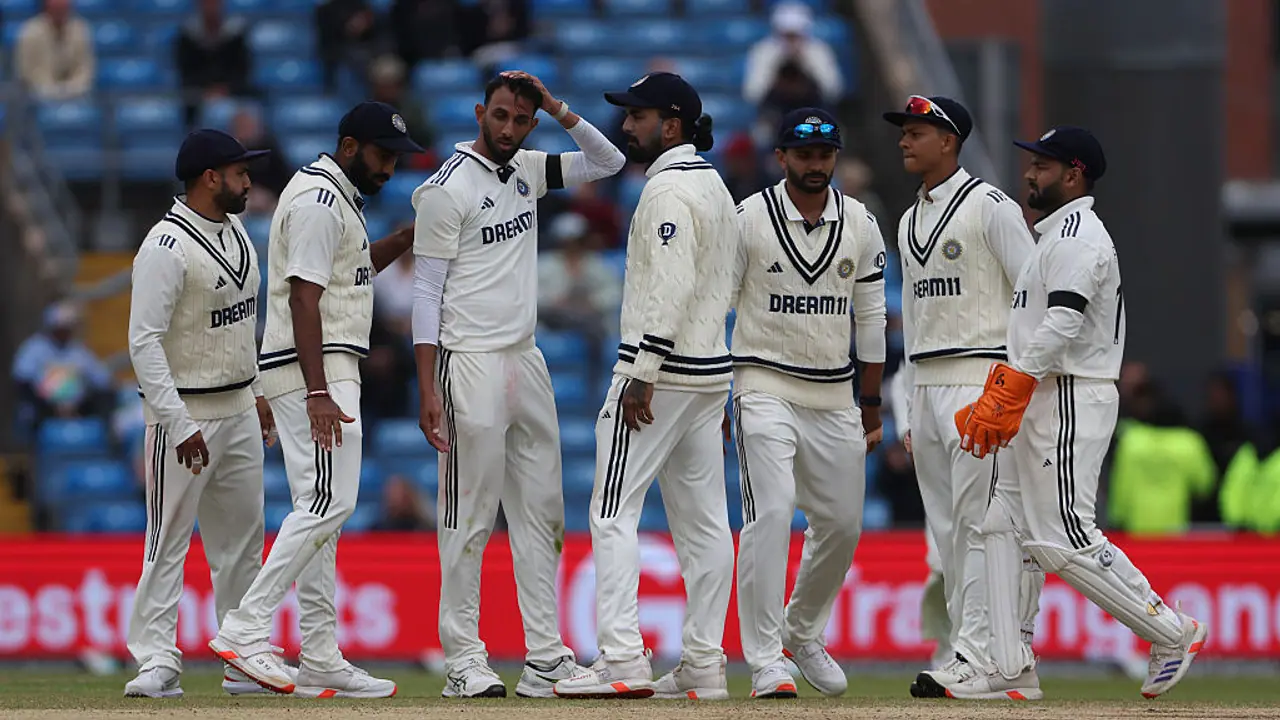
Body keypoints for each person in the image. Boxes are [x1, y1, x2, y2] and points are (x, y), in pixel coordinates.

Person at [951, 126, 1209, 699]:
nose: (1029, 173)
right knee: (1000, 524)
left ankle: (1171, 630)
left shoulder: (1079, 237)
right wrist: (1015, 385)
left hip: (1068, 393)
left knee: (1062, 540)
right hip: (1040, 392)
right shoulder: (1048, 238)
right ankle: (1009, 663)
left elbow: (1064, 323)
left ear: (1073, 174)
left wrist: (1015, 383)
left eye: (1041, 166)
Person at [410, 70, 625, 699]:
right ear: (481, 112)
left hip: (525, 359)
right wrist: (427, 387)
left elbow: (607, 161)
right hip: (467, 360)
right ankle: (463, 659)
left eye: (520, 120)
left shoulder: (528, 168)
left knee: (543, 514)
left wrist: (558, 108)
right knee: (469, 514)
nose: (507, 129)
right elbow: (426, 292)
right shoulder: (446, 189)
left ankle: (546, 658)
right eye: (499, 116)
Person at [208, 102, 423, 698]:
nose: (389, 169)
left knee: (319, 510)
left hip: (319, 365)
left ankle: (321, 653)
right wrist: (319, 391)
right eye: (382, 156)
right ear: (351, 146)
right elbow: (304, 299)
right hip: (317, 369)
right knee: (331, 501)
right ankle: (245, 629)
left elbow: (345, 275)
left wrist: (402, 240)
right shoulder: (321, 202)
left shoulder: (333, 199)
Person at [553, 71, 737, 700]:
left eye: (638, 115)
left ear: (674, 124)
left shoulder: (666, 194)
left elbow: (673, 284)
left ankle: (623, 658)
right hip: (709, 371)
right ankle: (706, 665)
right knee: (706, 524)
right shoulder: (712, 183)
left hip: (658, 374)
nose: (627, 126)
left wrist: (644, 370)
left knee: (610, 513)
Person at [881, 95, 1045, 697]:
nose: (904, 141)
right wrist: (912, 405)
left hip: (981, 375)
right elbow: (918, 318)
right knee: (948, 532)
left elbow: (1035, 294)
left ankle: (982, 654)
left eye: (916, 132)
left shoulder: (992, 206)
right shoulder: (907, 220)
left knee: (981, 526)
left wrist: (1016, 385)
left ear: (948, 141)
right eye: (903, 132)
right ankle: (983, 653)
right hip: (926, 382)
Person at [729, 108, 887, 699]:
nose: (814, 165)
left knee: (843, 524)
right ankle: (766, 657)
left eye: (824, 155)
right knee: (770, 515)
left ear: (835, 158)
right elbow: (719, 305)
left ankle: (802, 629)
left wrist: (870, 405)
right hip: (763, 384)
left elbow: (870, 318)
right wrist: (723, 391)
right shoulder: (748, 219)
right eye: (803, 154)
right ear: (782, 158)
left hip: (834, 394)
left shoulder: (862, 224)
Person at [122, 129, 280, 699]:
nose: (248, 180)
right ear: (210, 177)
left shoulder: (238, 231)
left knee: (242, 542)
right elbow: (143, 344)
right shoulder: (165, 247)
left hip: (238, 405)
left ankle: (242, 655)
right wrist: (177, 423)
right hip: (184, 414)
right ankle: (157, 659)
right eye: (240, 172)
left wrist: (258, 392)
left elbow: (243, 327)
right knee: (167, 542)